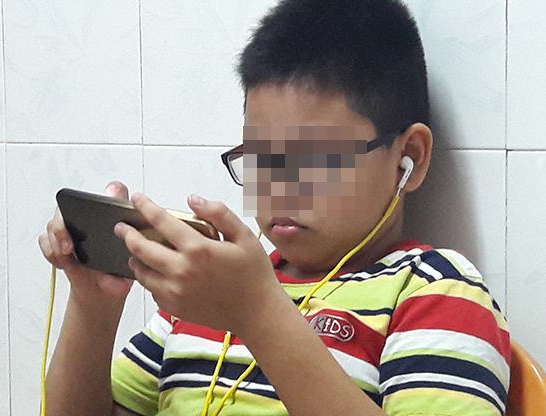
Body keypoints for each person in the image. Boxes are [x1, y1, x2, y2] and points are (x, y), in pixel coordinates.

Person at [38, 0, 510, 415]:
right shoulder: (208, 290)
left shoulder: (433, 292)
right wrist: (94, 306)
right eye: (262, 158)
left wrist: (257, 315)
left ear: (410, 157)